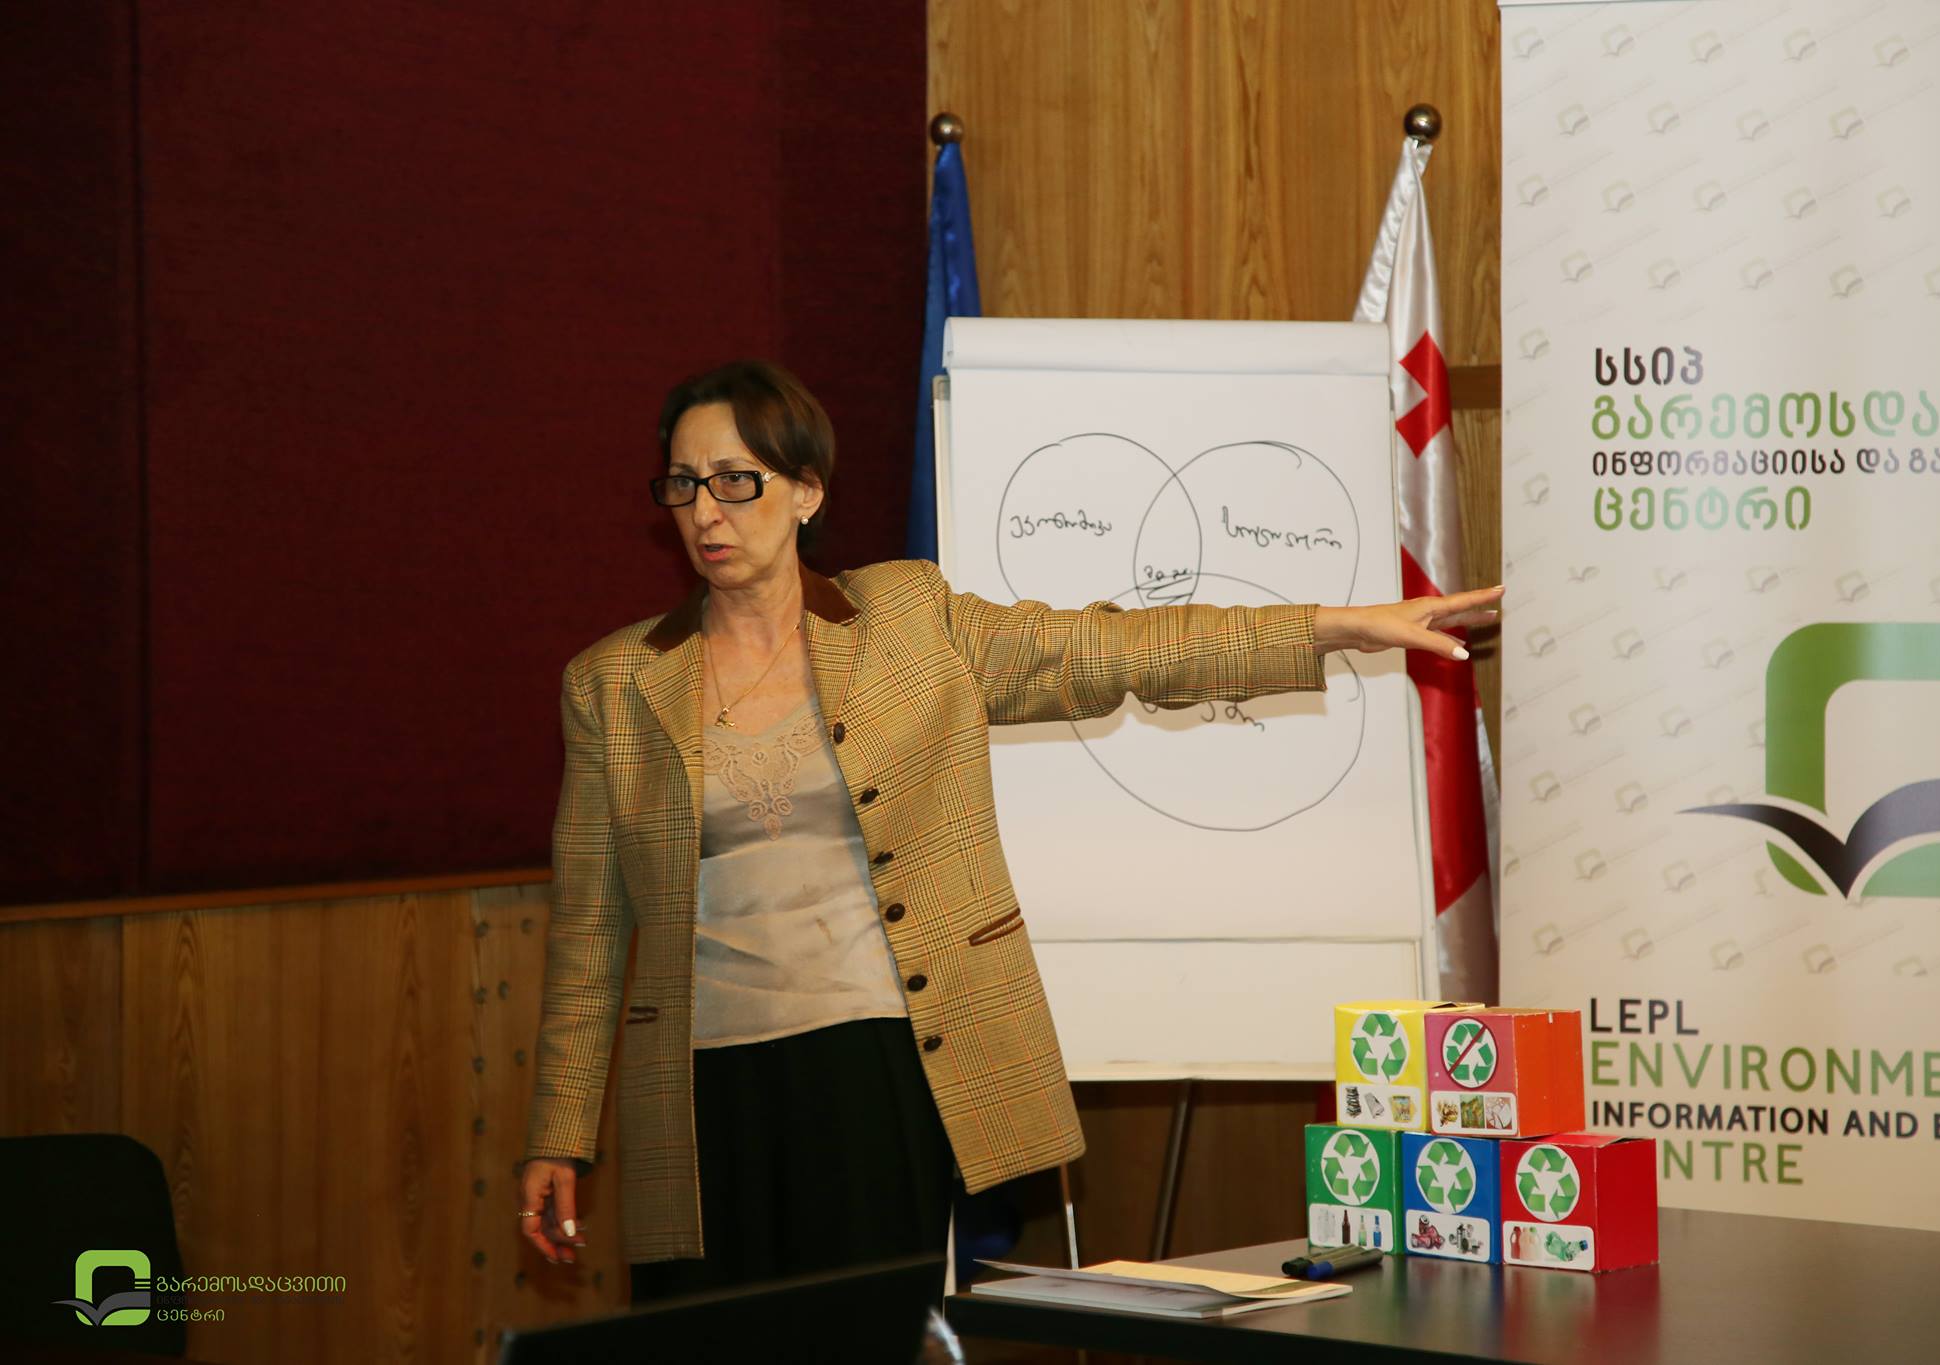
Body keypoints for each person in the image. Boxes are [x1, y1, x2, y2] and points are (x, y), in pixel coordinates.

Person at [518, 360, 1501, 1300]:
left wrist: (1339, 626)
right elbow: (590, 929)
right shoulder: (612, 681)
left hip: (875, 1063)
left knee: (861, 1333)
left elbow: (1114, 649)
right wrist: (559, 1133)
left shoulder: (908, 618)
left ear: (806, 491)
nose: (706, 511)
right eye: (683, 483)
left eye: (737, 480)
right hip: (698, 1093)